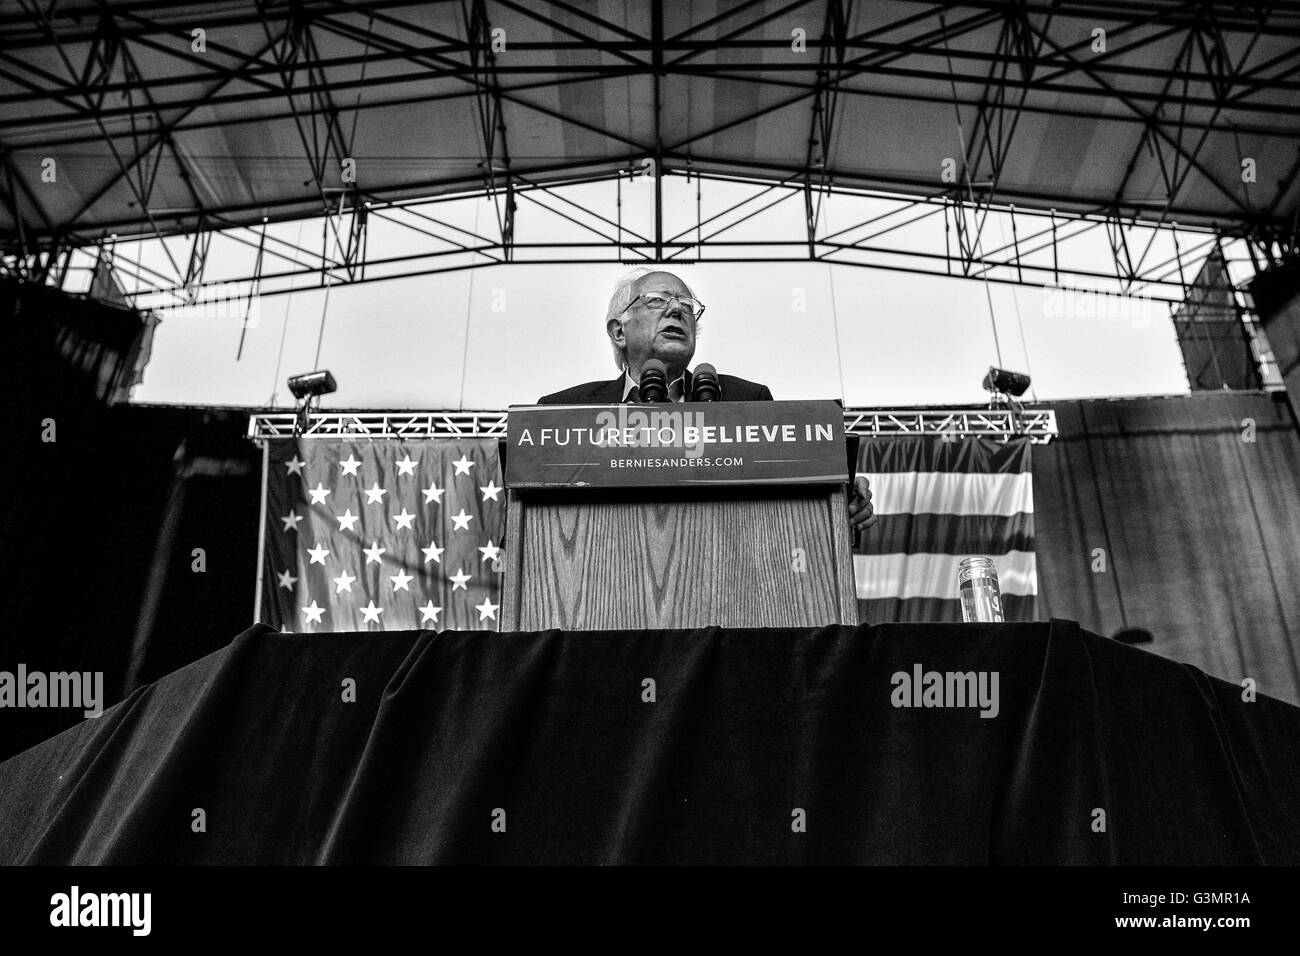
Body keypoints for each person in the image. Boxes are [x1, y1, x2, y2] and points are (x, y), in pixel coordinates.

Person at [537, 268, 877, 532]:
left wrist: (833, 493)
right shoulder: (560, 414)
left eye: (686, 305)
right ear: (619, 331)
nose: (676, 310)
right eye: (657, 300)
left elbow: (785, 498)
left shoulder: (748, 400)